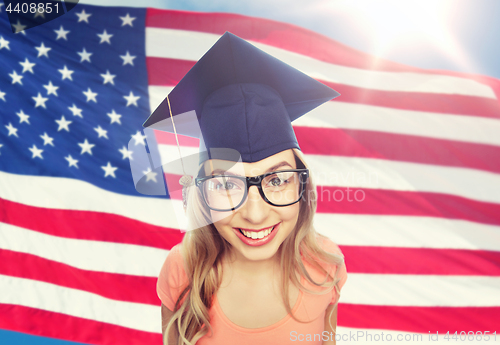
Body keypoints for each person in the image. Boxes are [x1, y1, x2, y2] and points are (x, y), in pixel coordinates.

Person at [143, 32, 348, 345]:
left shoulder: (324, 264)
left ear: (302, 187)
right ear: (200, 194)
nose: (254, 214)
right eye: (226, 183)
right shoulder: (183, 270)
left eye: (277, 180)